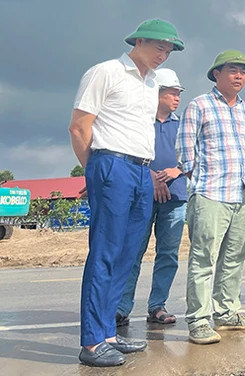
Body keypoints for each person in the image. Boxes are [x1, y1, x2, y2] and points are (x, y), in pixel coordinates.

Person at [69, 19, 184, 367]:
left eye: (169, 50)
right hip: (110, 163)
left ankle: (107, 331)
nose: (163, 54)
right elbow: (79, 126)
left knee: (128, 253)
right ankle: (91, 342)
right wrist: (97, 170)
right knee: (105, 251)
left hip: (141, 171)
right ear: (138, 41)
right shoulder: (105, 72)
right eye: (159, 46)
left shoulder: (152, 84)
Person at [176, 50, 245, 345]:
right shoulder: (199, 105)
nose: (240, 76)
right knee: (203, 258)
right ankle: (199, 320)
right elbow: (185, 150)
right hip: (210, 193)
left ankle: (226, 314)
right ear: (216, 74)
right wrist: (197, 181)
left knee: (235, 256)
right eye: (234, 70)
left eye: (244, 73)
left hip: (239, 195)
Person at [116, 69, 188, 327]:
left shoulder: (182, 126)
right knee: (133, 251)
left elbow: (196, 156)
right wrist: (151, 178)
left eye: (179, 93)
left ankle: (157, 305)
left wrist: (177, 170)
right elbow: (126, 155)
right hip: (141, 195)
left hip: (176, 195)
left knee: (168, 254)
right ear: (156, 93)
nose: (177, 98)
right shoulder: (139, 122)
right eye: (171, 93)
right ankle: (121, 307)